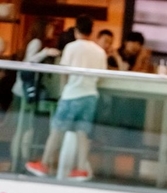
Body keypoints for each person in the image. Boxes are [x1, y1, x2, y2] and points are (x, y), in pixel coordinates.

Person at [25, 14, 107, 181]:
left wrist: (63, 92)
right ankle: (81, 168)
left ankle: (44, 163)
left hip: (71, 94)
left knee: (57, 130)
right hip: (90, 95)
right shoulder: (99, 51)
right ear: (91, 31)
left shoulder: (71, 47)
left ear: (76, 30)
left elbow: (64, 72)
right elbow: (101, 76)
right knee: (82, 133)